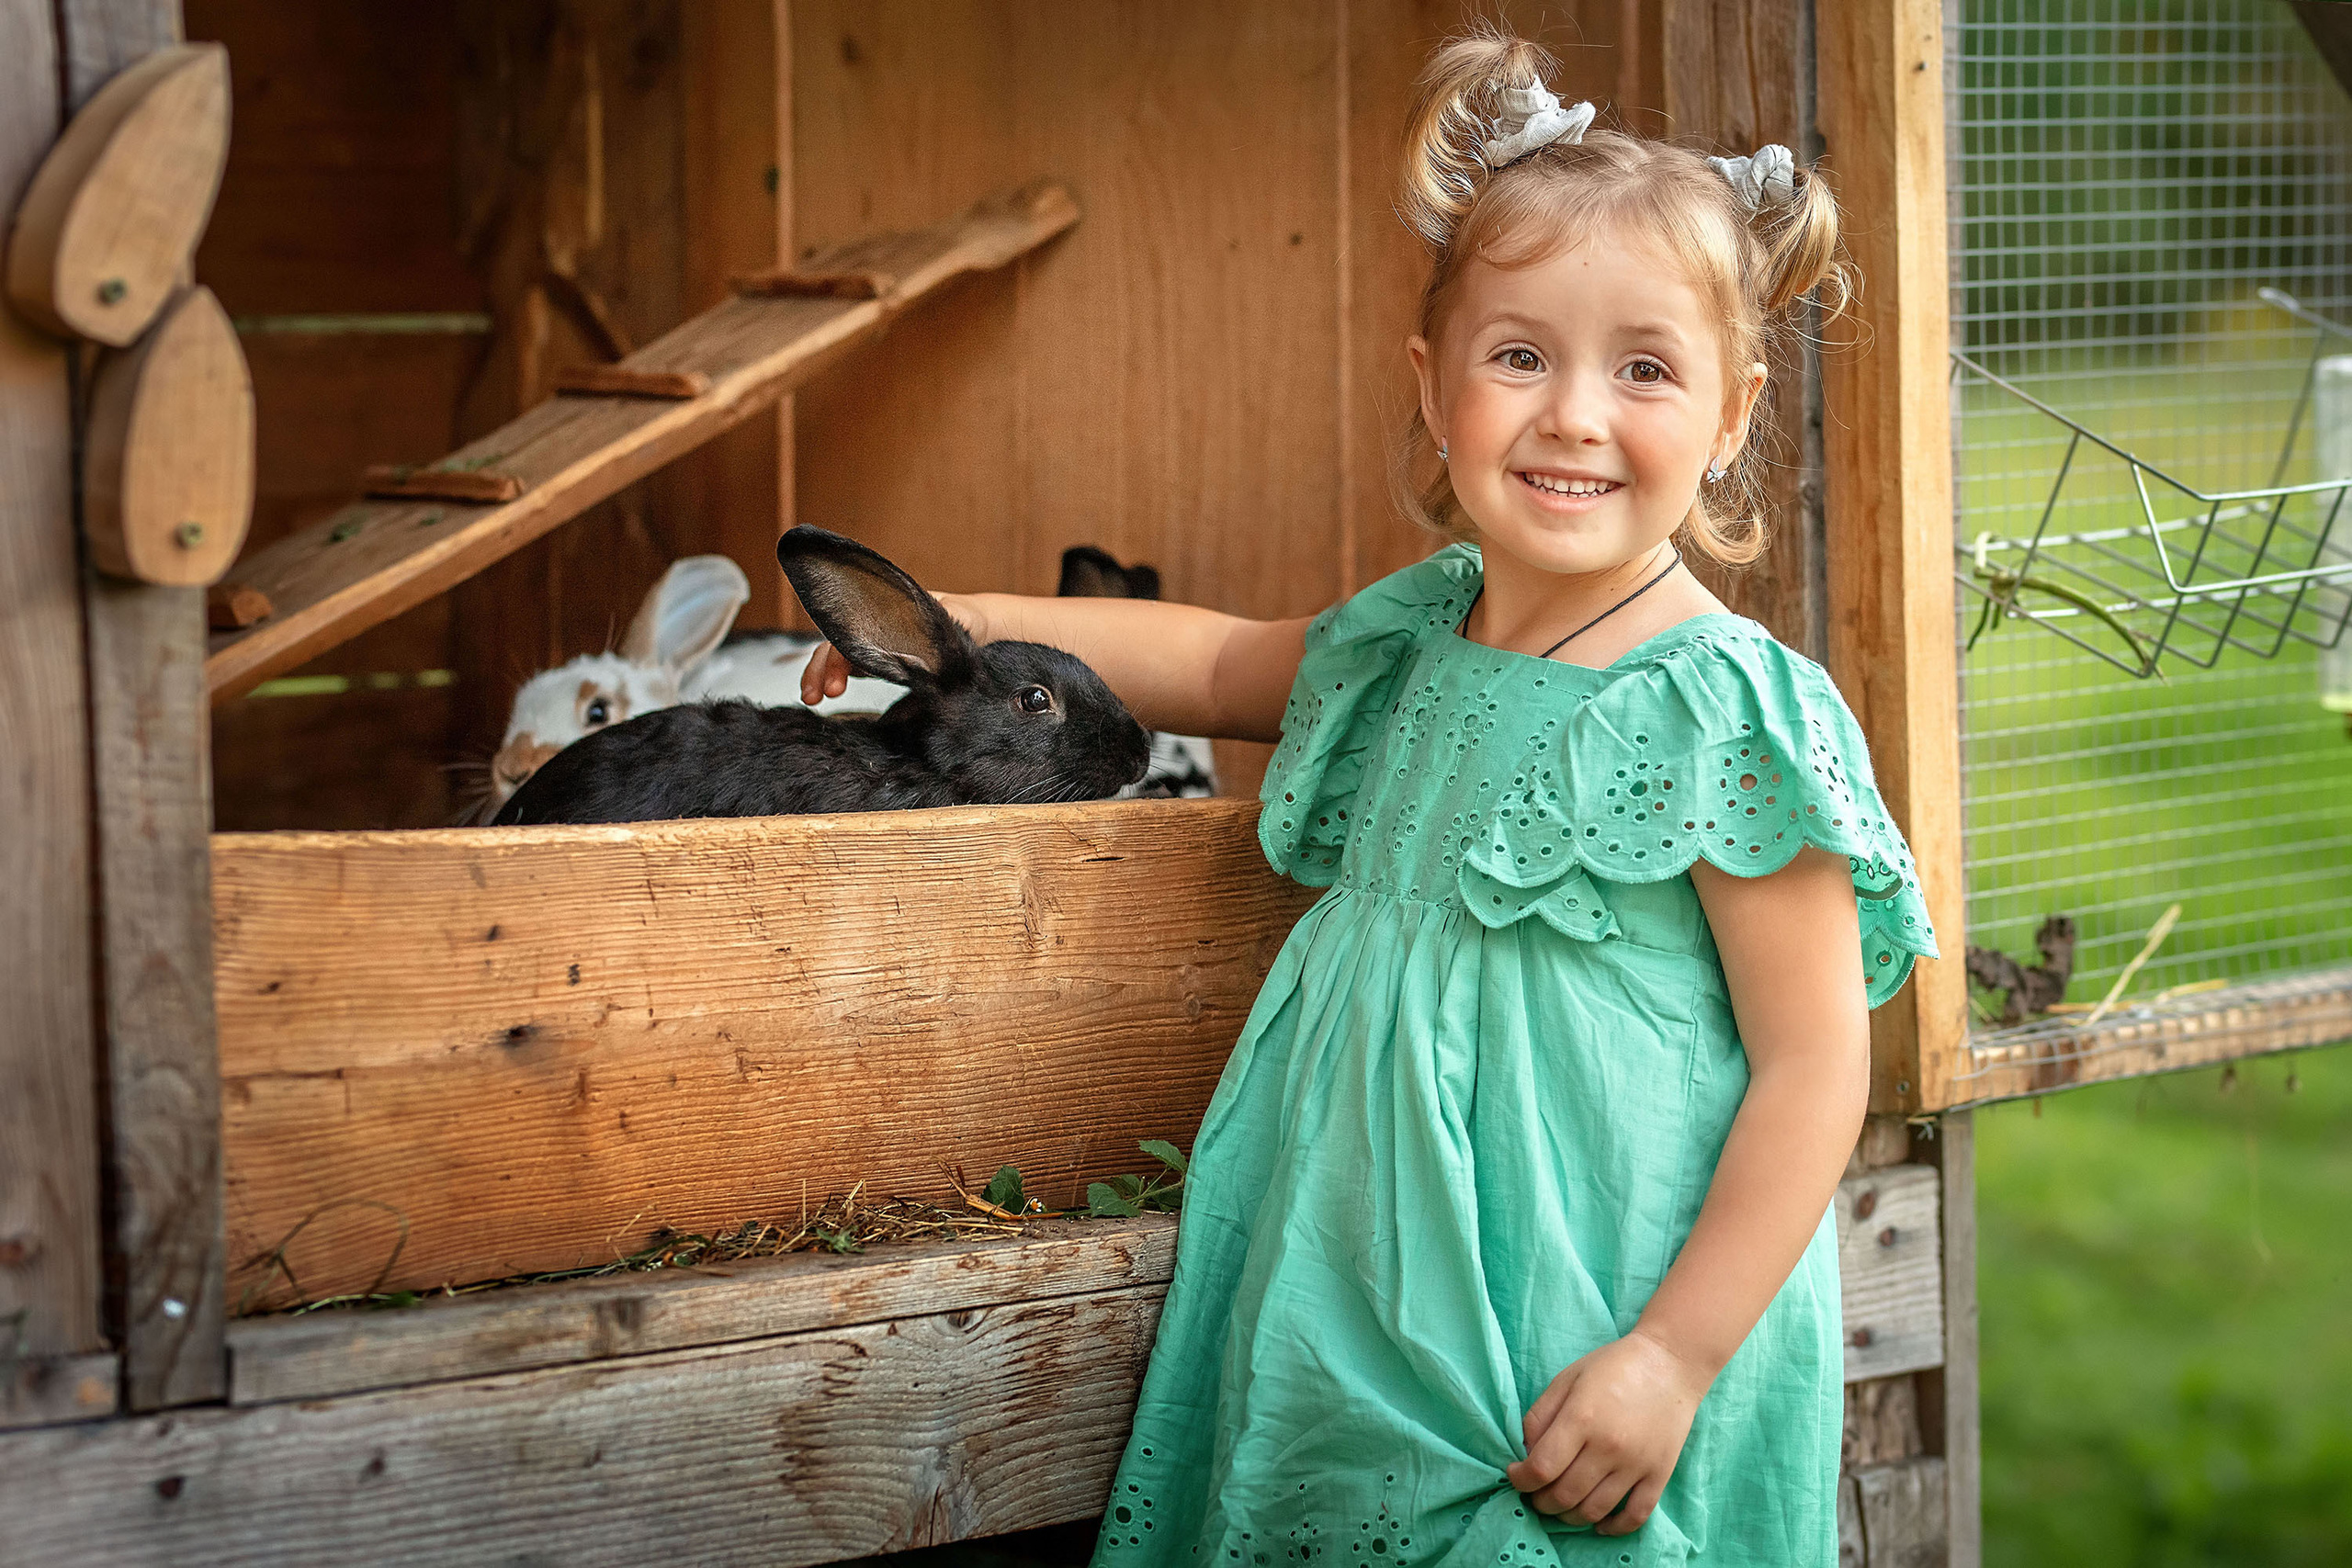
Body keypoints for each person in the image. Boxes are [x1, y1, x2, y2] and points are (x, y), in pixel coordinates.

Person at [800, 26, 1937, 1565]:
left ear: (1732, 414)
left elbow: (1815, 1067)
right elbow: (1209, 660)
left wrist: (1672, 1355)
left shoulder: (1729, 708)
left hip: (1592, 1298)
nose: (1574, 415)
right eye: (1520, 354)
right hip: (1351, 1284)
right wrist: (943, 630)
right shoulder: (1416, 634)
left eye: (1646, 369)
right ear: (1436, 381)